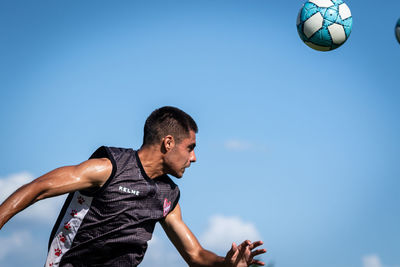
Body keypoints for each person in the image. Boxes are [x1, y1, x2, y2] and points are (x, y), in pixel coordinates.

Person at [0, 106, 266, 267]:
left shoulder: (167, 195)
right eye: (191, 148)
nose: (194, 157)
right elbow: (37, 188)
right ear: (169, 143)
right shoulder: (107, 168)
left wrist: (226, 263)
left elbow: (195, 255)